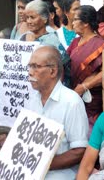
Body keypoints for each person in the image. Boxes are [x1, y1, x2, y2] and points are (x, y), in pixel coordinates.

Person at [28, 46, 89, 179]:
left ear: (53, 71)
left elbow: (79, 151)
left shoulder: (71, 102)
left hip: (59, 174)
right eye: (29, 66)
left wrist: (40, 164)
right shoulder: (32, 100)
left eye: (36, 67)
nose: (30, 72)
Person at [67, 5, 104, 132]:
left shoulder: (102, 44)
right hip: (73, 95)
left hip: (91, 101)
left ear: (86, 23)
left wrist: (85, 86)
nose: (72, 23)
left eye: (75, 20)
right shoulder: (75, 42)